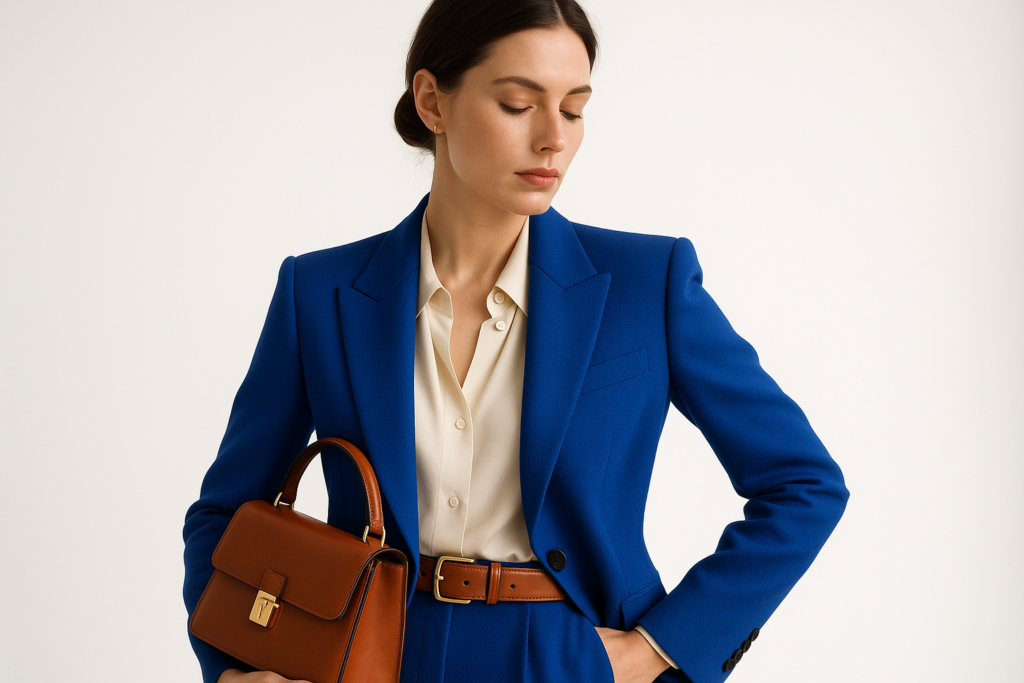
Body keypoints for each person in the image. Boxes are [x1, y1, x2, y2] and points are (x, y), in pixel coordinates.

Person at [182, 1, 851, 682]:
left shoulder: (647, 284)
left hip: (569, 653)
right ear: (432, 101)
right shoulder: (319, 292)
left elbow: (804, 483)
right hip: (373, 653)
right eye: (517, 104)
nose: (553, 138)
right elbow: (227, 509)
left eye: (574, 109)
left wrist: (654, 650)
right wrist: (233, 669)